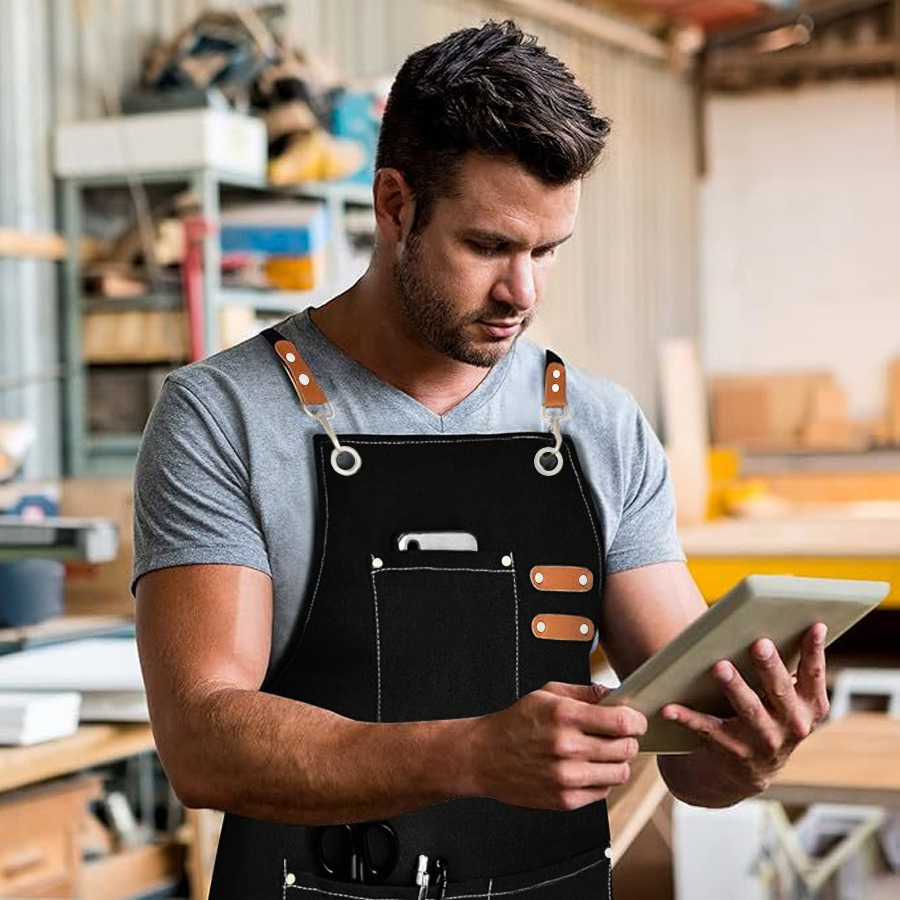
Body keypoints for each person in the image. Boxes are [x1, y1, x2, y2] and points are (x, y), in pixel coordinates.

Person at [132, 20, 830, 900]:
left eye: (545, 251)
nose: (523, 293)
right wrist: (470, 754)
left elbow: (692, 763)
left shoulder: (602, 427)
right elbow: (202, 742)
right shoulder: (224, 415)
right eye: (490, 246)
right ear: (394, 205)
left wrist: (751, 753)